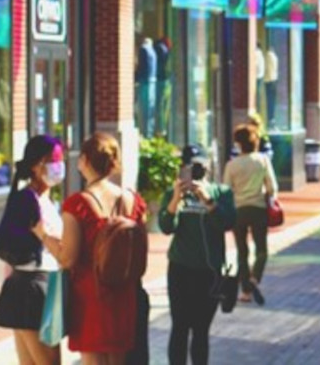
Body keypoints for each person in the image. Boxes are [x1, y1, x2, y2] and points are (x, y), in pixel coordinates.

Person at [35, 132, 148, 364]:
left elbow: (68, 259)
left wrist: (43, 235)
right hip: (125, 294)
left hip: (91, 296)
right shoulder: (133, 200)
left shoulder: (77, 204)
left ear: (84, 160)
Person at [159, 145, 236, 365]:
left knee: (201, 329)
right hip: (180, 268)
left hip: (209, 270)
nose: (195, 171)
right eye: (190, 166)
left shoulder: (221, 193)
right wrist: (176, 199)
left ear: (209, 167)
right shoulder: (173, 194)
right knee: (180, 326)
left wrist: (208, 201)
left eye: (200, 166)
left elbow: (228, 222)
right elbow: (166, 226)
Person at [0, 135, 64, 365]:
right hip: (31, 289)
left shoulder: (45, 199)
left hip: (39, 286)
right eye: (53, 160)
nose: (59, 165)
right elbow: (11, 245)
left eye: (60, 159)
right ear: (36, 165)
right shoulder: (27, 199)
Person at [223, 124, 278, 305]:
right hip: (258, 208)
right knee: (261, 249)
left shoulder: (231, 165)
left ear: (238, 143)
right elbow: (272, 187)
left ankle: (245, 291)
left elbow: (226, 190)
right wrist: (270, 197)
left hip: (238, 210)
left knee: (242, 251)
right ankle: (255, 278)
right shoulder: (262, 160)